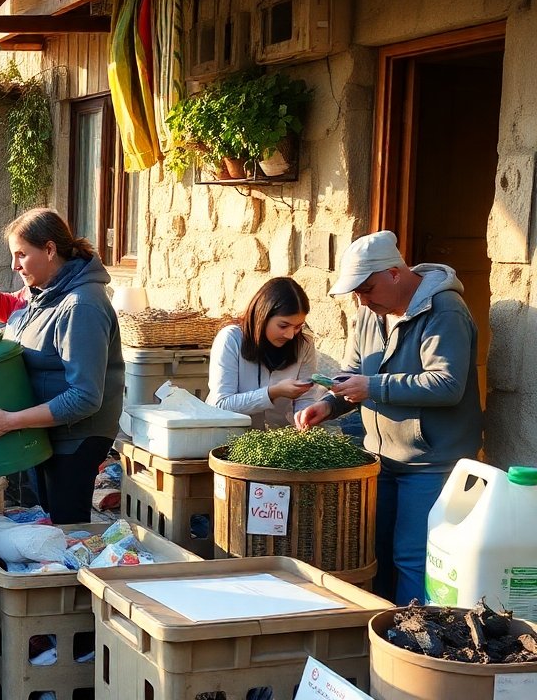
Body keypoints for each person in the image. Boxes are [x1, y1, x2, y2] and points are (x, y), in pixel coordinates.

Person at [294, 230, 483, 605]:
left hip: (431, 462)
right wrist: (329, 405)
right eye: (357, 294)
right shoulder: (369, 313)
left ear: (395, 273)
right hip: (380, 459)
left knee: (412, 559)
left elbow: (447, 385)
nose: (362, 301)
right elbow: (353, 374)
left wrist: (373, 387)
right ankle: (376, 628)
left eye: (367, 290)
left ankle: (412, 635)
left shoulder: (445, 310)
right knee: (373, 554)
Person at [0, 208, 124, 523]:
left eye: (21, 255)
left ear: (50, 249)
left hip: (75, 439)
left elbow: (85, 397)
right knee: (46, 524)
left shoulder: (81, 306)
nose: (14, 266)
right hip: (44, 431)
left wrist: (11, 421)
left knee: (68, 528)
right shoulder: (44, 291)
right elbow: (16, 309)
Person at [206, 277, 317, 429]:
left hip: (280, 438)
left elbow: (306, 398)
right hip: (229, 436)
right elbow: (220, 404)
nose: (290, 335)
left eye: (298, 327)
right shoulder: (231, 339)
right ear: (263, 315)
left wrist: (304, 417)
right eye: (283, 326)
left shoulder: (304, 345)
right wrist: (272, 393)